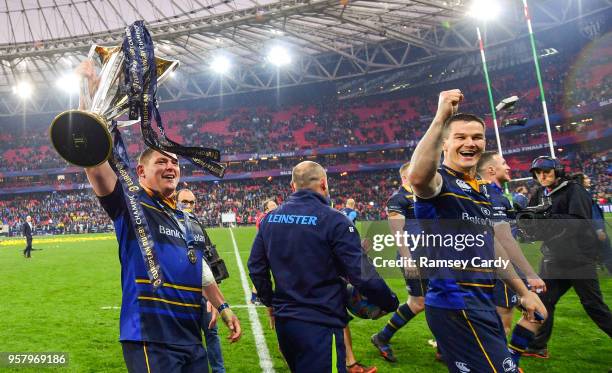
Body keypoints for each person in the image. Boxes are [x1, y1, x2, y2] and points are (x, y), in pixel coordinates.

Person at [407, 90, 546, 373]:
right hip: (456, 306)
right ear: (444, 144)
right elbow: (418, 177)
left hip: (481, 303)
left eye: (476, 137)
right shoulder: (439, 183)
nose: (470, 143)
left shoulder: (480, 189)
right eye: (460, 137)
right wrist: (441, 117)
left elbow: (491, 247)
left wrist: (522, 291)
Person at [248, 161, 399, 373]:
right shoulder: (335, 220)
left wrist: (270, 302)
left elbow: (255, 266)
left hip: (286, 323)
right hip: (321, 324)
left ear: (293, 186)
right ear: (324, 183)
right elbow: (361, 274)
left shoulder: (269, 220)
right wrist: (389, 301)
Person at [523, 157, 612, 358]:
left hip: (578, 259)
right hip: (553, 258)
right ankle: (538, 346)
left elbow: (578, 222)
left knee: (593, 306)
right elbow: (533, 220)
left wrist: (546, 218)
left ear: (558, 172)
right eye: (537, 173)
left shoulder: (574, 190)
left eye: (546, 171)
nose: (542, 176)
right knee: (543, 302)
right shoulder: (539, 192)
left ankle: (537, 346)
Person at [477, 151, 547, 367]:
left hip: (492, 266)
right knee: (510, 323)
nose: (508, 167)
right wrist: (530, 273)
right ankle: (506, 364)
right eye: (503, 163)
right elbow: (505, 240)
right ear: (491, 170)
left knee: (535, 313)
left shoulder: (486, 194)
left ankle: (506, 362)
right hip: (502, 269)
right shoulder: (493, 197)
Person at [371, 162, 433, 363]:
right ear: (406, 177)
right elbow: (397, 231)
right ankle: (382, 336)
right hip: (413, 257)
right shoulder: (399, 198)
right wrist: (407, 259)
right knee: (418, 302)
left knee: (441, 297)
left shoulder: (425, 195)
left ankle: (444, 346)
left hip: (432, 256)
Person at [176, 188, 226, 373]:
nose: (188, 205)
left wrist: (215, 301)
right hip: (182, 296)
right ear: (175, 202)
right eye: (184, 202)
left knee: (211, 333)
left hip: (204, 295)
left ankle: (218, 371)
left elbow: (212, 260)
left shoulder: (198, 227)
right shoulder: (168, 226)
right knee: (189, 338)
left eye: (192, 202)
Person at [572, 172, 612, 274]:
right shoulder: (583, 195)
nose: (589, 179)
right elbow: (592, 213)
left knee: (595, 252)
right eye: (586, 178)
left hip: (587, 231)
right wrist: (599, 230)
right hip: (595, 230)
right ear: (581, 181)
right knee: (607, 251)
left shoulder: (578, 194)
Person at [252, 199, 278, 305]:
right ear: (266, 208)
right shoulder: (264, 218)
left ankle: (255, 297)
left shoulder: (270, 217)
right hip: (266, 249)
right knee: (262, 273)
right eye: (273, 205)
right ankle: (256, 297)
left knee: (264, 274)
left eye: (276, 204)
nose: (276, 206)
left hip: (270, 248)